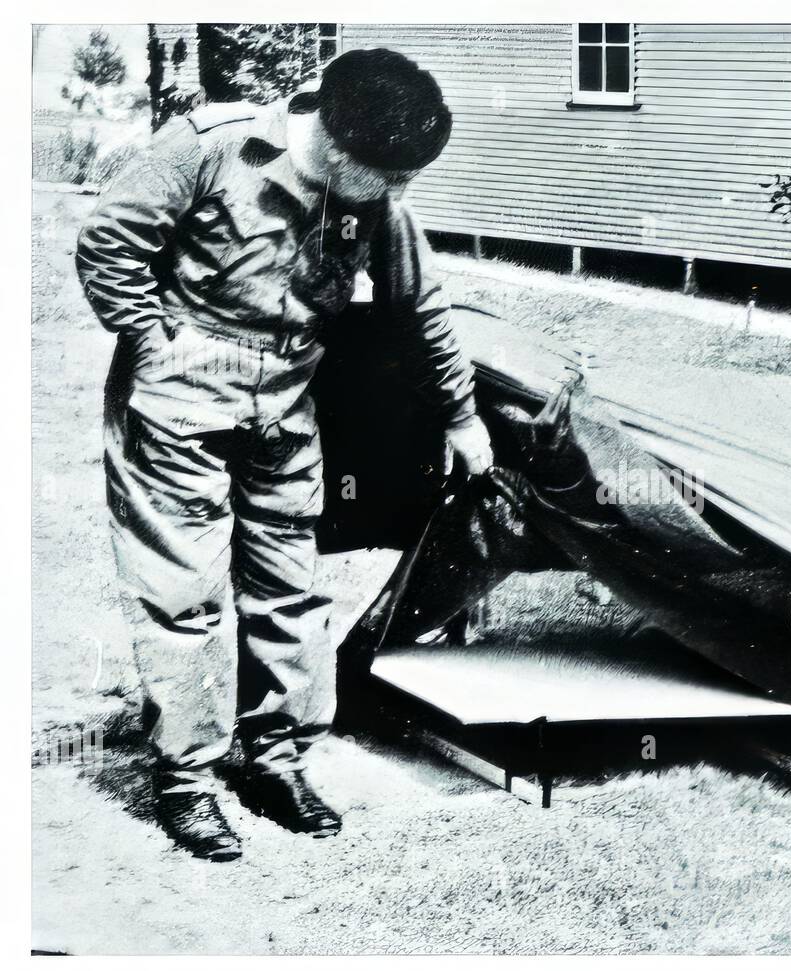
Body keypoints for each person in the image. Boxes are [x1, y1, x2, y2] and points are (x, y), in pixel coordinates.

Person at [76, 49, 493, 861]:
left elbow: (421, 309)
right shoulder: (211, 145)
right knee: (183, 596)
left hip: (287, 406)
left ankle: (276, 760)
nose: (399, 197)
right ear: (335, 144)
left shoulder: (376, 188)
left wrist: (462, 417)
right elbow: (108, 246)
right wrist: (155, 350)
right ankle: (187, 781)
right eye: (390, 179)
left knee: (289, 589)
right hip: (179, 406)